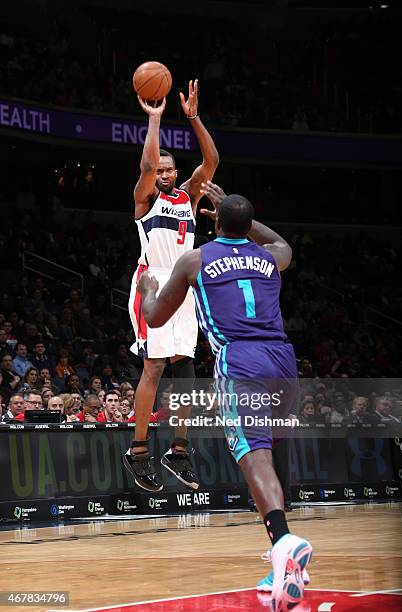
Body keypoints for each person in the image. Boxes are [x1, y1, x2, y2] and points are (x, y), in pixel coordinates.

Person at [136, 182, 312, 610]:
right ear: (249, 226)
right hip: (283, 359)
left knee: (254, 457)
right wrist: (234, 212)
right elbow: (279, 241)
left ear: (213, 223)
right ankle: (286, 562)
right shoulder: (270, 256)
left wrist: (146, 292)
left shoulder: (195, 258)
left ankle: (284, 543)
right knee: (272, 454)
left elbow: (157, 318)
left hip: (242, 361)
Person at [125, 79, 219, 492]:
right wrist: (156, 119)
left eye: (168, 169)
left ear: (176, 173)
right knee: (154, 366)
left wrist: (194, 118)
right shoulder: (145, 198)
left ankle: (179, 450)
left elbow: (212, 160)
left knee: (188, 372)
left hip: (183, 288)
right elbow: (145, 167)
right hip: (152, 283)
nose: (162, 173)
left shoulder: (189, 198)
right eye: (159, 169)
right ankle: (139, 449)